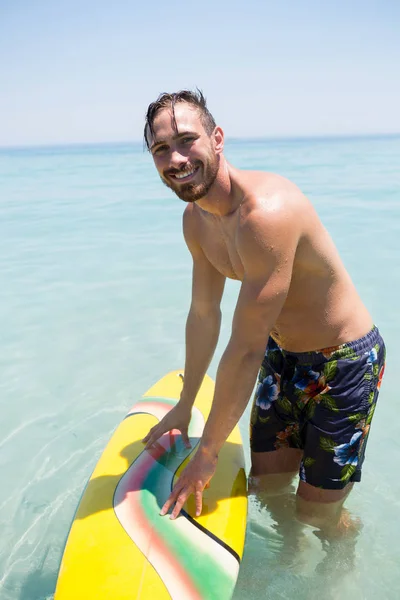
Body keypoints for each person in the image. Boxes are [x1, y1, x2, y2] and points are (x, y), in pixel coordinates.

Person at [141, 89, 386, 529]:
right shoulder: (196, 220)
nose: (175, 158)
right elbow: (203, 314)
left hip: (345, 364)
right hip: (281, 359)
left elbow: (245, 344)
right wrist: (185, 402)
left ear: (217, 138)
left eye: (186, 140)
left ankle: (337, 573)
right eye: (161, 148)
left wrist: (209, 451)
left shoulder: (266, 215)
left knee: (318, 515)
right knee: (269, 491)